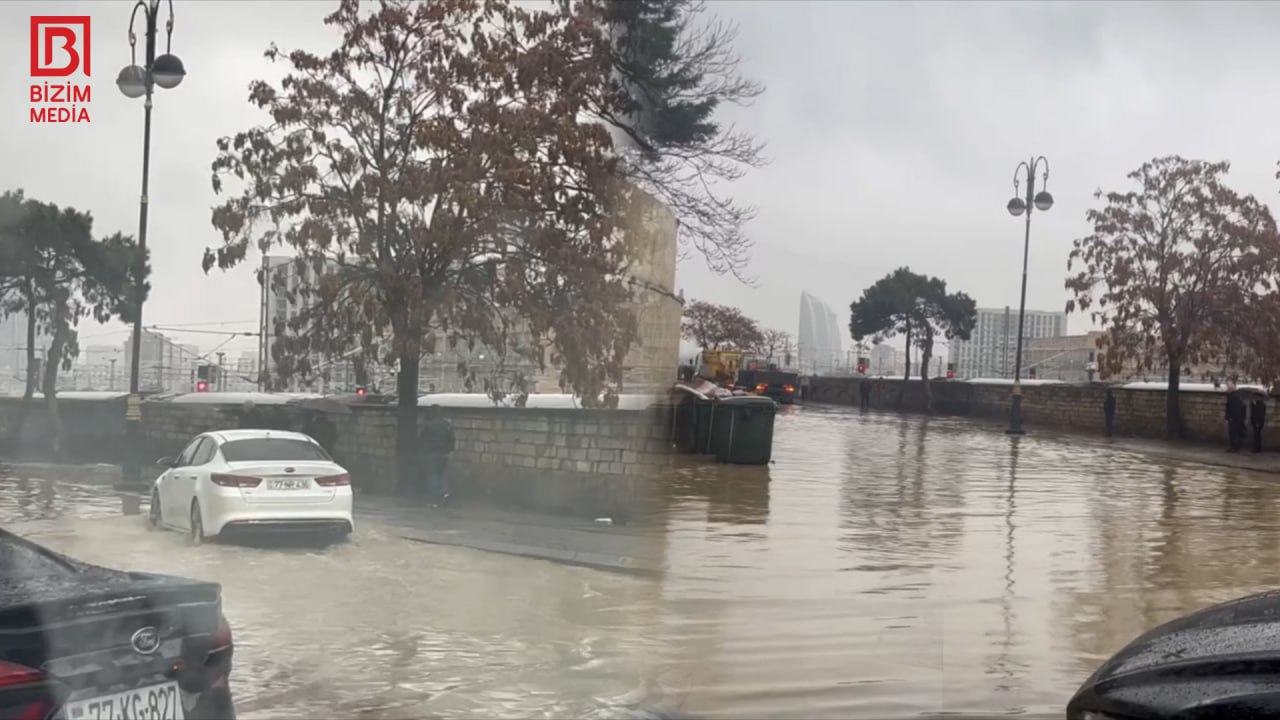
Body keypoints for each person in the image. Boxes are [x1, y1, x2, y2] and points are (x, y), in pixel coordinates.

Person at [418, 405, 456, 505]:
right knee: (442, 475)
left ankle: (434, 499)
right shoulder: (447, 424)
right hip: (445, 454)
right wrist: (450, 451)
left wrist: (423, 452)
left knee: (433, 475)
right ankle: (444, 493)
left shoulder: (428, 425)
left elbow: (422, 440)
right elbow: (452, 439)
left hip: (432, 454)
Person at [1225, 382, 1247, 452]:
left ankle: (1234, 447)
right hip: (1237, 418)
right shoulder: (1236, 396)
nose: (1227, 389)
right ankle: (1235, 446)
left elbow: (1231, 408)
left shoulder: (1232, 397)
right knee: (1235, 433)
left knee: (1233, 433)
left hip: (1234, 419)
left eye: (1228, 388)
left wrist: (1230, 417)